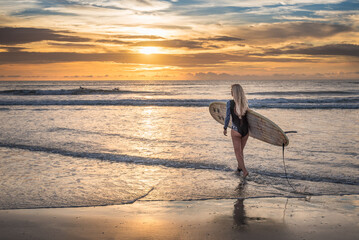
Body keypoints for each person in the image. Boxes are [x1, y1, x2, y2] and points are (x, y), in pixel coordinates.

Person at [223, 84, 250, 178]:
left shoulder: (230, 103)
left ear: (233, 92)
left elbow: (227, 117)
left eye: (231, 90)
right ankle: (239, 167)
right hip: (246, 131)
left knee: (237, 153)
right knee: (241, 151)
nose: (230, 92)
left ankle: (245, 171)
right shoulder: (245, 102)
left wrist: (225, 128)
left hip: (236, 130)